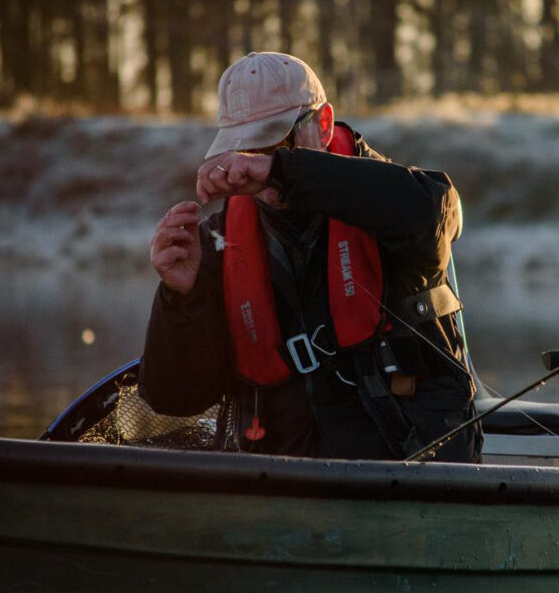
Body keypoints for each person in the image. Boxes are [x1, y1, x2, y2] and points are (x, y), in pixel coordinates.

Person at [140, 52, 481, 463]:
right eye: (245, 148)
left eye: (275, 144)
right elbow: (174, 398)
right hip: (281, 493)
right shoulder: (218, 241)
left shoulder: (404, 202)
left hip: (408, 481)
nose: (255, 165)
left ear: (322, 125)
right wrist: (181, 297)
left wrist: (283, 171)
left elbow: (435, 212)